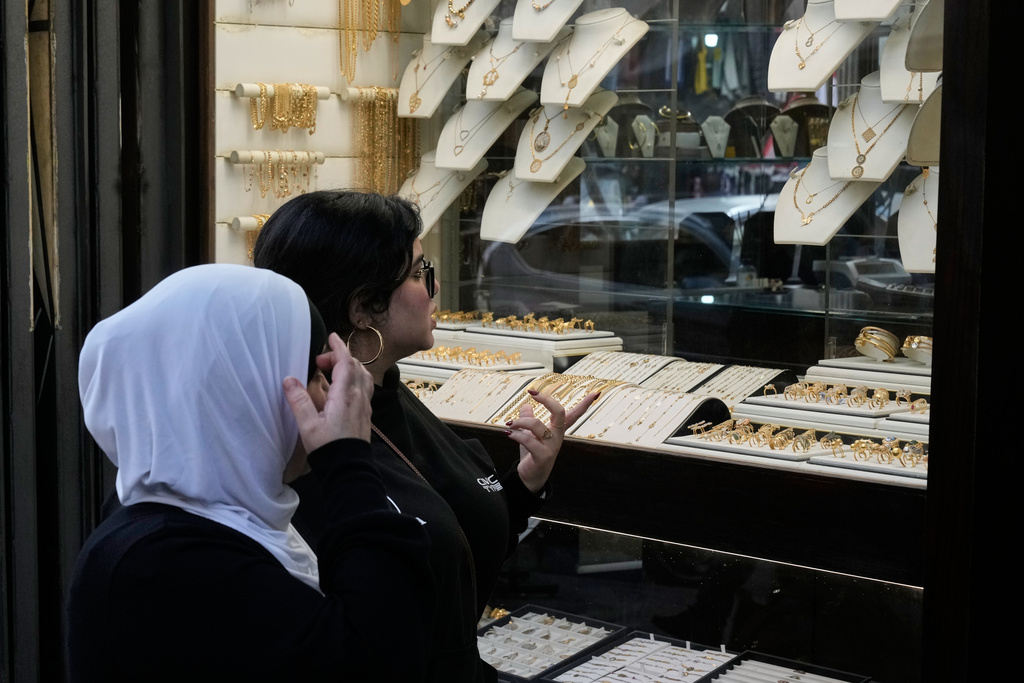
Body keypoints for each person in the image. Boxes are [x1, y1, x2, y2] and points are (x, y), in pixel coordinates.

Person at [253, 190, 599, 682]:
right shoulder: (317, 443)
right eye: (418, 274)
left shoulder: (388, 395)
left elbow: (450, 538)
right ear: (363, 308)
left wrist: (523, 483)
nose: (433, 290)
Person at [67, 264, 435, 682]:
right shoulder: (161, 566)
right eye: (315, 376)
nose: (326, 396)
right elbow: (383, 656)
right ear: (240, 394)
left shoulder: (203, 516)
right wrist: (348, 462)